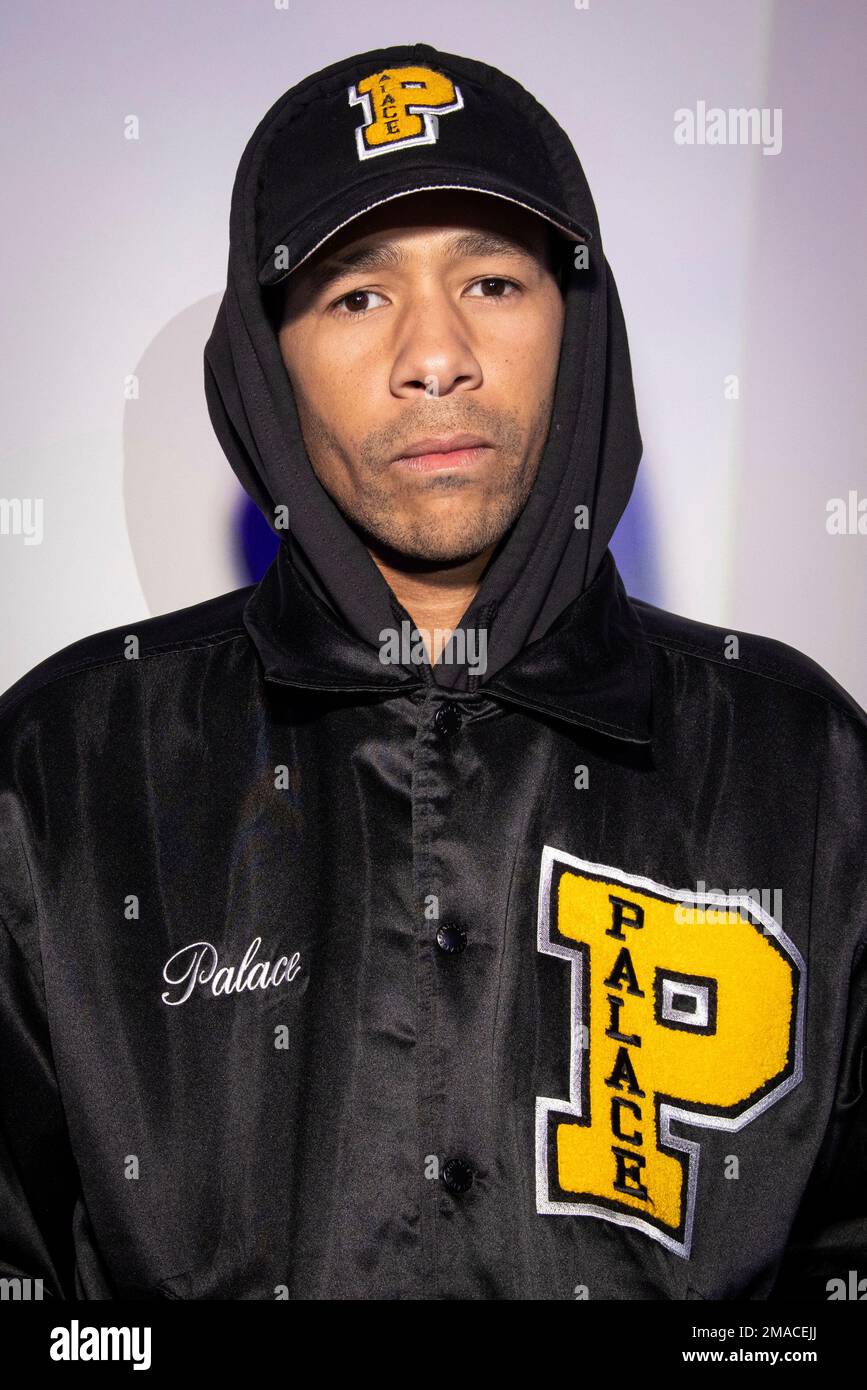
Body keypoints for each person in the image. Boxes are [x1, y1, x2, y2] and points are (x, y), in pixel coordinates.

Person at [0, 41, 864, 1302]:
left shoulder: (808, 766)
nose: (437, 354)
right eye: (357, 294)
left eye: (496, 282)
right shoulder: (64, 774)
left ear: (581, 321)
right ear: (263, 352)